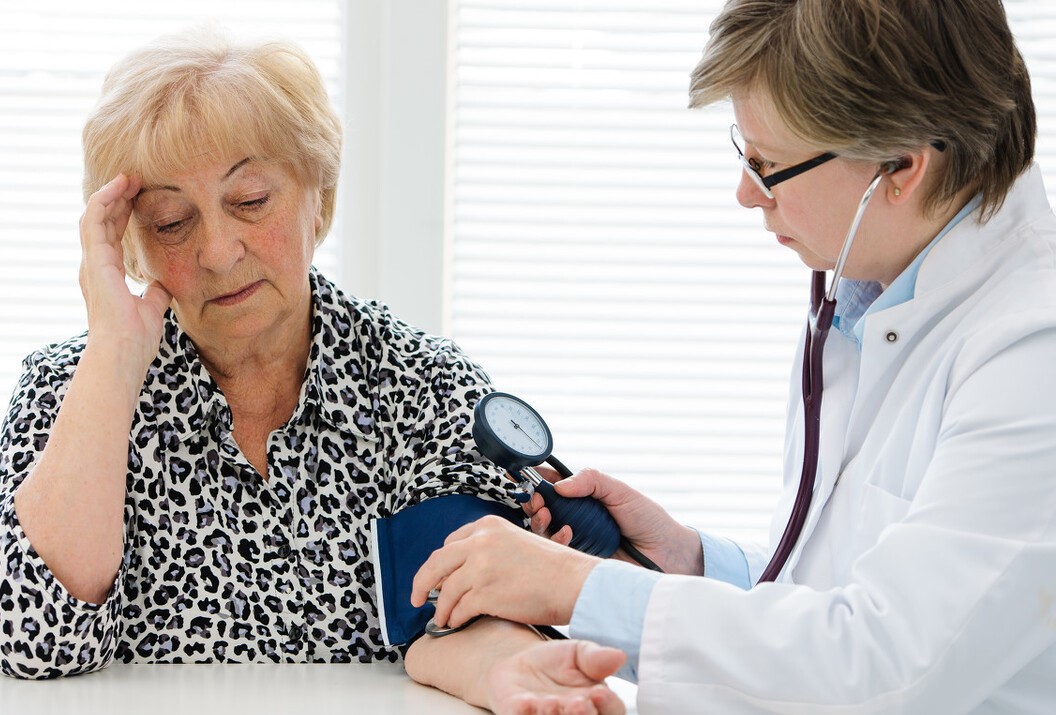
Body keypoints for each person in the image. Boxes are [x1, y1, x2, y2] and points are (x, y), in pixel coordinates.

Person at [404, 0, 1056, 712]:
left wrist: (573, 587)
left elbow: (885, 664)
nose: (747, 194)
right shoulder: (874, 299)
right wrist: (691, 559)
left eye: (769, 164)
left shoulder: (1031, 354)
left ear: (900, 168)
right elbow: (827, 597)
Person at [0, 28, 527, 679]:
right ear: (131, 242)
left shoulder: (423, 385)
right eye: (172, 221)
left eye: (251, 201)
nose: (219, 251)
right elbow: (31, 642)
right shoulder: (68, 388)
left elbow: (492, 617)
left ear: (321, 198)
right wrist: (113, 356)